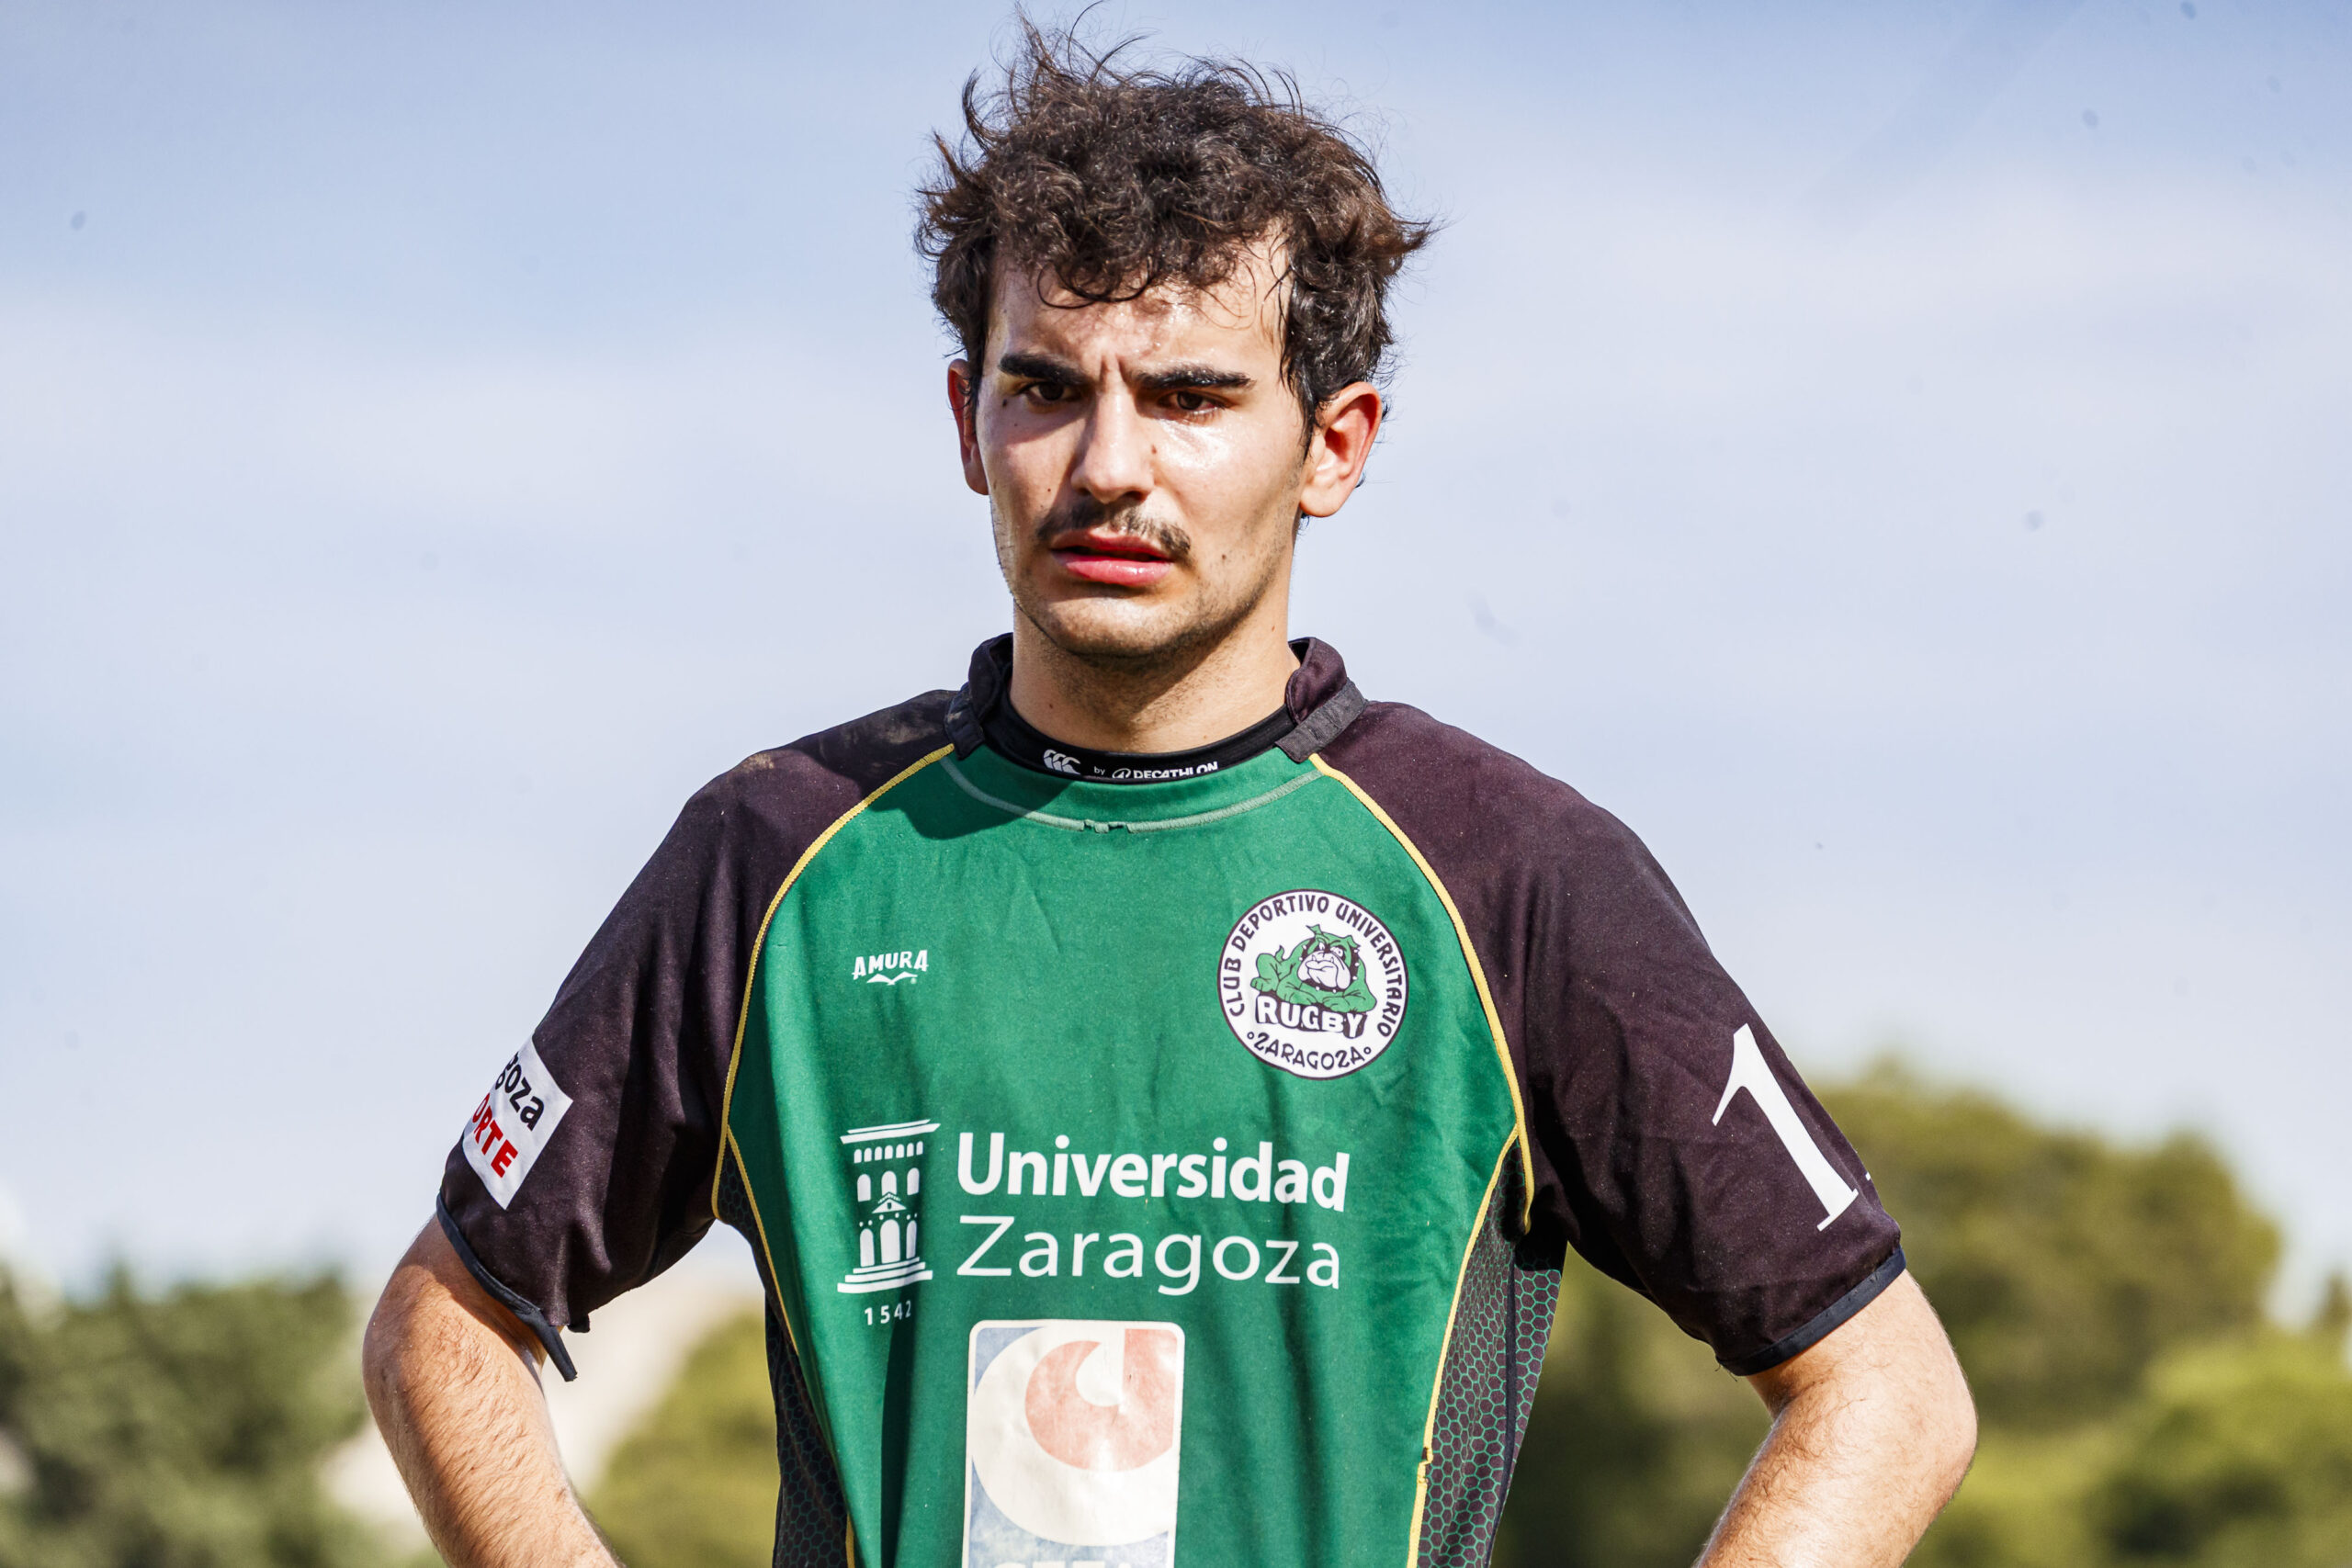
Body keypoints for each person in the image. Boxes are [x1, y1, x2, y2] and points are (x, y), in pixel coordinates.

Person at [364, 25, 1976, 1568]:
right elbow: (444, 1322)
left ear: (1333, 445)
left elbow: (1886, 1390)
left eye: (1194, 398)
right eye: (1048, 387)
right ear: (968, 423)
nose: (1108, 465)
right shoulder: (775, 852)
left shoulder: (1514, 873)